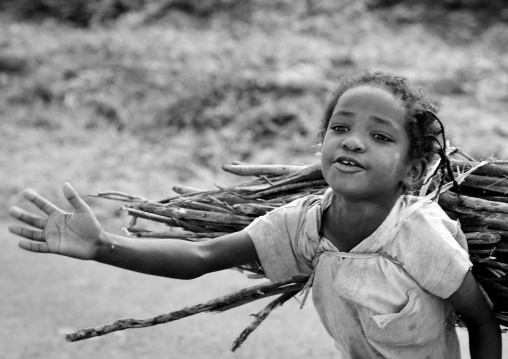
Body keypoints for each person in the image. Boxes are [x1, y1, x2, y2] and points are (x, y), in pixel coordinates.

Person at [9, 71, 501, 358]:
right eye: (340, 127)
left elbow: (479, 319)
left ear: (412, 171)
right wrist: (102, 247)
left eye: (380, 136)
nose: (352, 140)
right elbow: (202, 256)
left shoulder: (418, 233)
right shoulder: (304, 224)